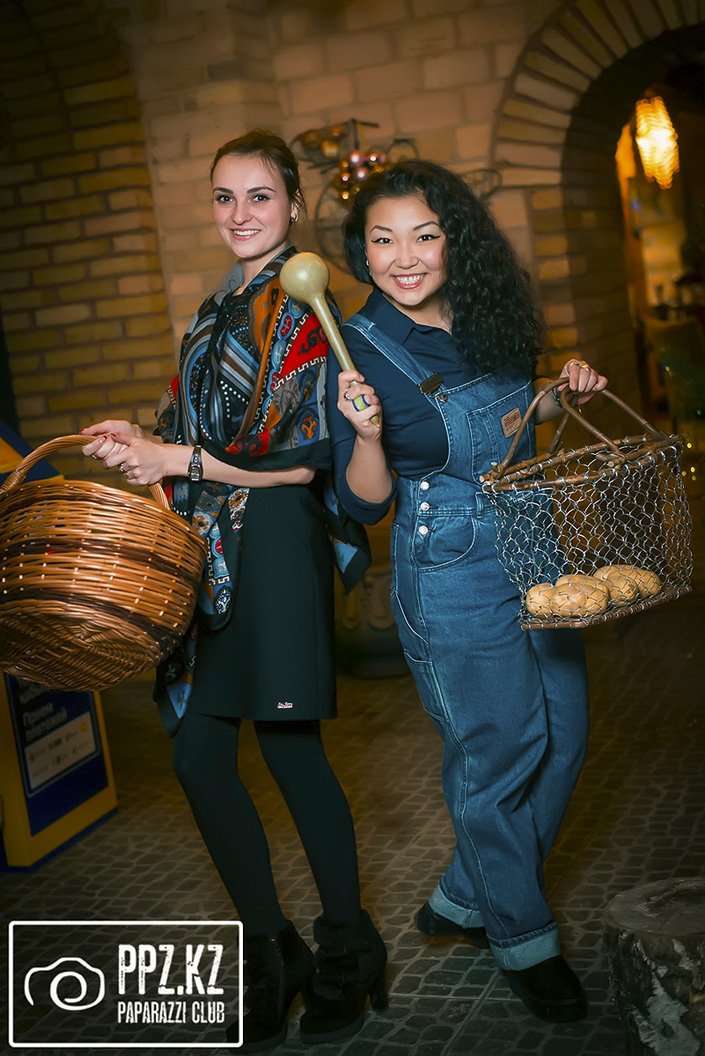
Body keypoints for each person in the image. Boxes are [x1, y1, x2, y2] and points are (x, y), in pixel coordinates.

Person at [81, 129, 386, 1052]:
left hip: (277, 546)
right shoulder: (216, 306)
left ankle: (348, 946)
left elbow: (299, 463)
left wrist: (178, 459)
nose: (240, 213)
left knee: (292, 755)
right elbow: (198, 428)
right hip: (205, 546)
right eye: (225, 197)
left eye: (259, 195)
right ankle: (270, 947)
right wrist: (142, 439)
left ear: (292, 204)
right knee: (197, 758)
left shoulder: (307, 305)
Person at [327, 159, 608, 1024]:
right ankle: (522, 937)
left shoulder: (488, 315)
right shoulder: (356, 348)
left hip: (531, 539)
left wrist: (561, 389)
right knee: (498, 753)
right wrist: (364, 432)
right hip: (446, 559)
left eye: (424, 235)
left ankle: (462, 894)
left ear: (456, 242)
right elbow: (361, 502)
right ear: (361, 251)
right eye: (383, 240)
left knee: (563, 733)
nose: (404, 257)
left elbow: (514, 417)